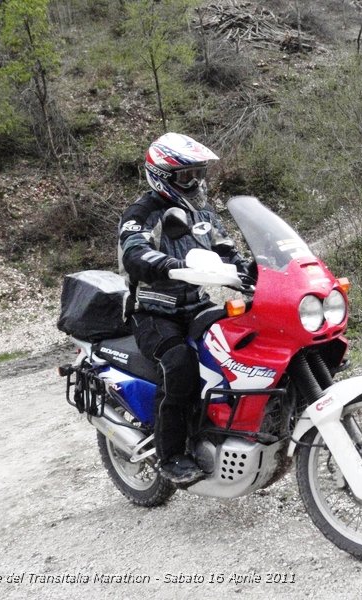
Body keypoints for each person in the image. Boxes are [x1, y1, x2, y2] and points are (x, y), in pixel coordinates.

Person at [118, 132, 246, 485]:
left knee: (237, 346)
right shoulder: (143, 212)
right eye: (186, 176)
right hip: (154, 313)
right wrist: (163, 264)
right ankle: (171, 455)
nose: (195, 182)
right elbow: (133, 251)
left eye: (198, 174)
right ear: (162, 176)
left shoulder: (202, 211)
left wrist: (252, 268)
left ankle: (226, 430)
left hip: (195, 305)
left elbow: (226, 248)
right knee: (179, 364)